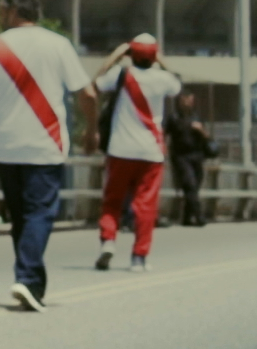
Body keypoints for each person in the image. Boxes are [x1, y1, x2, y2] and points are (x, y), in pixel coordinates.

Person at [0, 0, 98, 310]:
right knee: (40, 213)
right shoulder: (58, 45)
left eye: (0, 10)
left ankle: (33, 285)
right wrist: (91, 131)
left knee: (21, 217)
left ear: (12, 11)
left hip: (6, 146)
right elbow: (88, 94)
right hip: (45, 144)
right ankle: (26, 278)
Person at [92, 34, 180, 268]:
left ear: (131, 54)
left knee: (112, 201)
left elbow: (95, 84)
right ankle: (139, 257)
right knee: (145, 204)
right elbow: (178, 82)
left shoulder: (120, 75)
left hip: (120, 149)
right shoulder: (163, 79)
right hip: (151, 152)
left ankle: (108, 241)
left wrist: (116, 56)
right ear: (153, 55)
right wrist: (159, 58)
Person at [164, 93, 216, 227]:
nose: (187, 102)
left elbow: (207, 137)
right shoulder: (174, 118)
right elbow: (164, 135)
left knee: (194, 186)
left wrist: (201, 130)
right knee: (190, 184)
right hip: (181, 156)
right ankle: (199, 216)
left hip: (197, 155)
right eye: (184, 99)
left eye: (189, 99)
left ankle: (187, 218)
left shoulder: (197, 117)